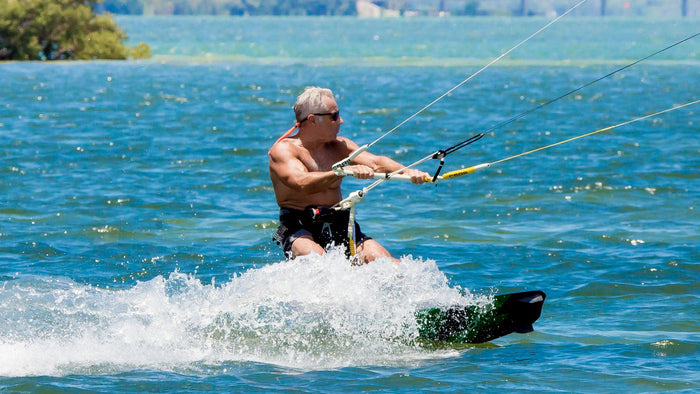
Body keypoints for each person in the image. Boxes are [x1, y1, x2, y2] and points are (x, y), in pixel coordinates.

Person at [268, 87, 429, 264]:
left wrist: (408, 171)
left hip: (340, 223)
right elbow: (301, 182)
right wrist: (342, 172)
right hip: (299, 228)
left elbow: (376, 163)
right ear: (313, 120)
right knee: (319, 262)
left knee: (390, 265)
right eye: (334, 116)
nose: (341, 121)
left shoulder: (339, 146)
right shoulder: (284, 150)